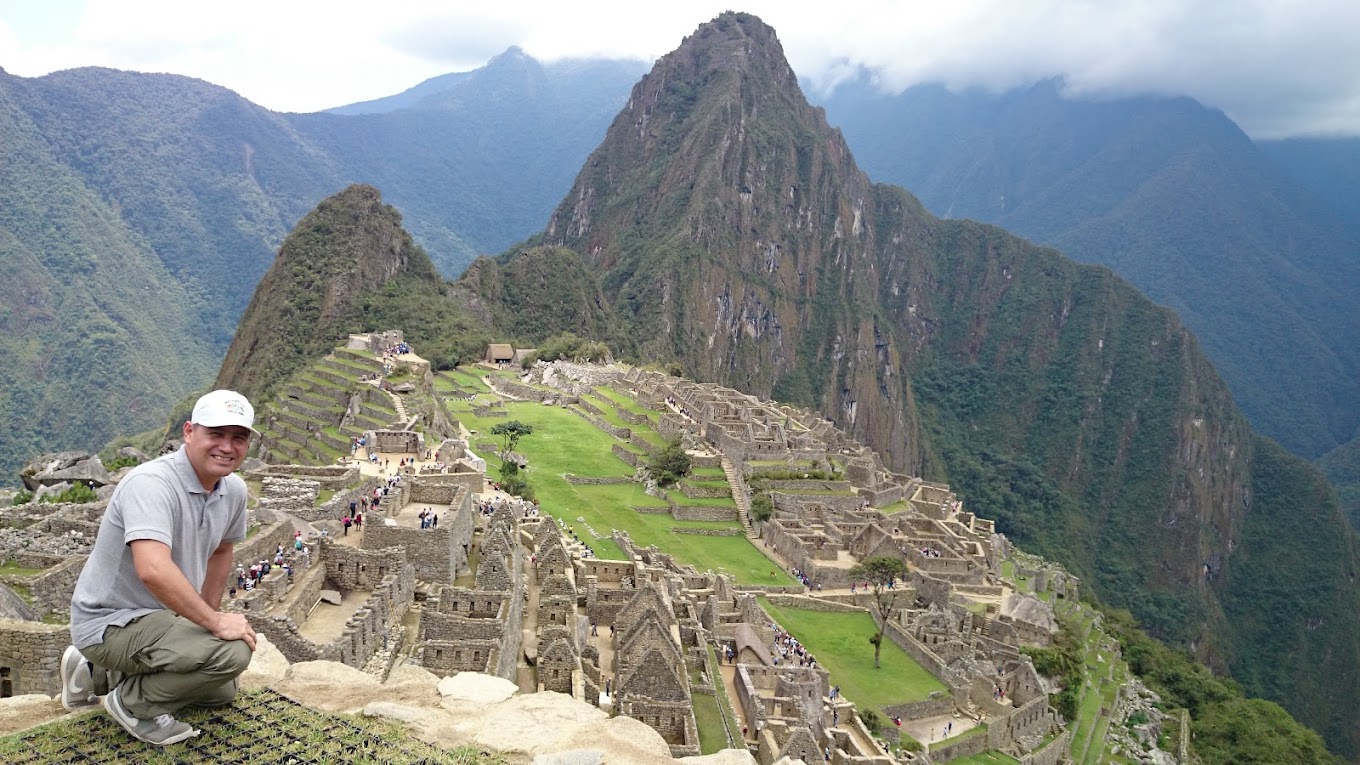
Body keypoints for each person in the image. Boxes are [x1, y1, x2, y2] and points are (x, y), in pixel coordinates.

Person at [60, 390, 258, 746]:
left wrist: (207, 621)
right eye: (216, 434)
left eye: (238, 438)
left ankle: (95, 673)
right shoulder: (151, 484)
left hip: (160, 620)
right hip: (111, 620)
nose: (227, 447)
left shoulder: (234, 491)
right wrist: (214, 624)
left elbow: (221, 552)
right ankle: (130, 704)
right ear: (188, 432)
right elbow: (152, 568)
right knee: (232, 654)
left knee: (221, 690)